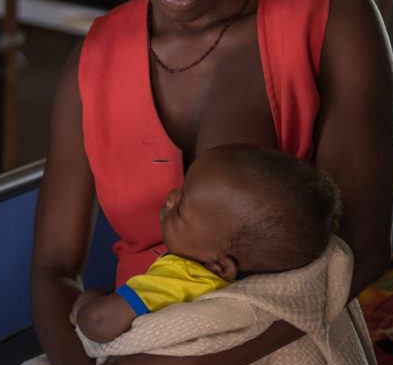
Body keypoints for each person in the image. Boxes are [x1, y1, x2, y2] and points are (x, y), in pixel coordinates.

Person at [29, 0, 393, 365]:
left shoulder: (334, 22)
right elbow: (52, 270)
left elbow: (361, 251)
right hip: (137, 342)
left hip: (284, 336)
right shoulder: (93, 62)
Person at [70, 144, 341, 344]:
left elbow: (100, 323)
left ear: (220, 265)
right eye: (183, 187)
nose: (171, 196)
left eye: (180, 209)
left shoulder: (180, 276)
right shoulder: (266, 286)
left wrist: (87, 302)